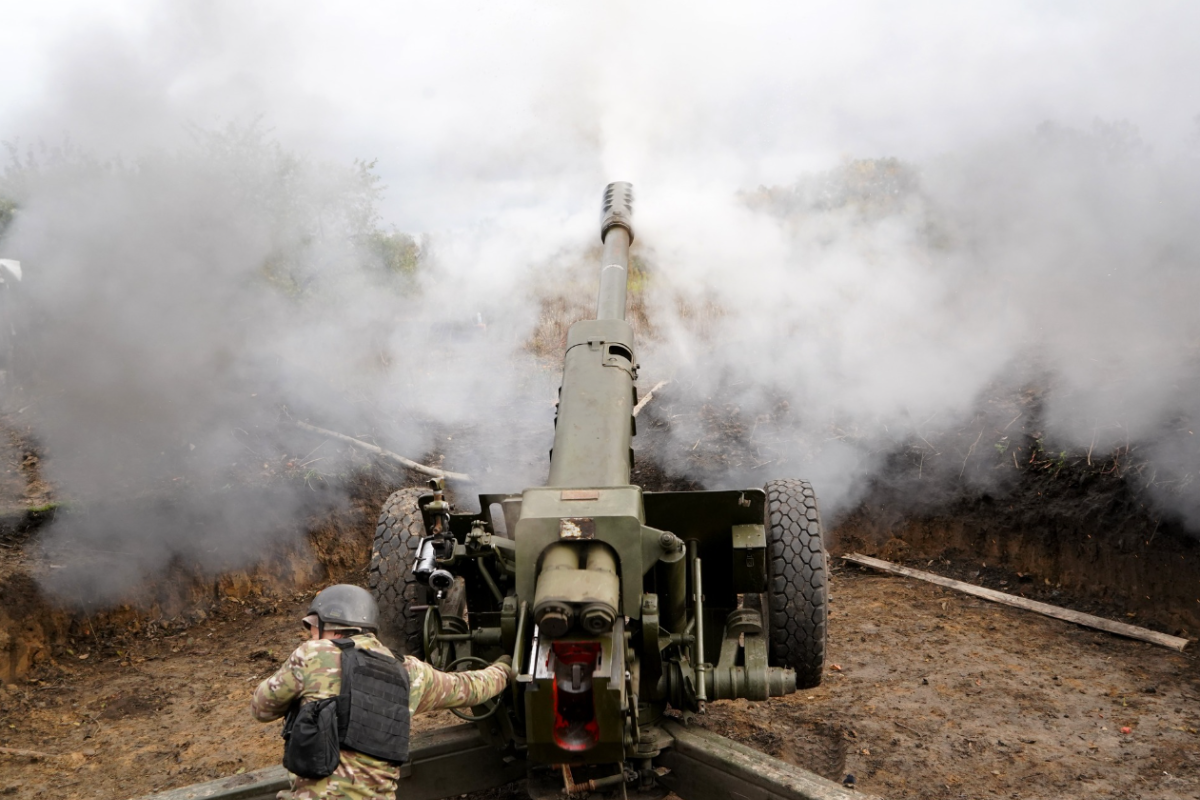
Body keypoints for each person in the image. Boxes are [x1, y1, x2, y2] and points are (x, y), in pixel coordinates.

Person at [252, 584, 512, 800]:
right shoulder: (411, 671)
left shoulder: (313, 654)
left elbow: (261, 708)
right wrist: (505, 667)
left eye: (313, 629)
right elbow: (470, 688)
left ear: (332, 626)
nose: (311, 636)